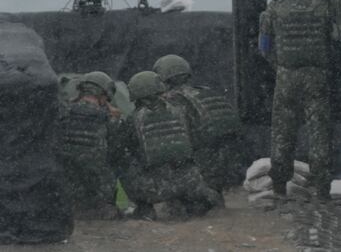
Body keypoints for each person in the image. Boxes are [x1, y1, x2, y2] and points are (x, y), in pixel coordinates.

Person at [258, 0, 336, 200]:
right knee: (319, 130)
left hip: (286, 76)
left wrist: (279, 65)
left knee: (283, 130)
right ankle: (323, 189)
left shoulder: (276, 7)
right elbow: (335, 41)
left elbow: (264, 46)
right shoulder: (325, 5)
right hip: (317, 75)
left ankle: (280, 187)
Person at [117, 71, 222, 219]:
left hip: (154, 189)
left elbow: (125, 152)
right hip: (191, 182)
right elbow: (199, 141)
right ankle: (196, 202)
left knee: (125, 166)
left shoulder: (133, 120)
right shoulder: (182, 110)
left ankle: (145, 210)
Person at [153, 54, 246, 191]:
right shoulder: (206, 92)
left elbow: (178, 143)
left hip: (202, 170)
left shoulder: (172, 101)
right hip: (233, 166)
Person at [59, 71, 119, 219]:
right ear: (103, 94)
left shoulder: (64, 112)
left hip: (67, 191)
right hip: (97, 193)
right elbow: (117, 151)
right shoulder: (108, 118)